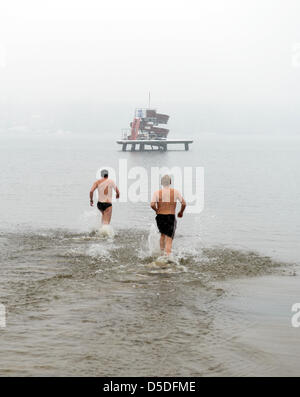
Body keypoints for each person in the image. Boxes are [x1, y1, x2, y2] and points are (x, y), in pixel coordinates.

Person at [151, 174, 186, 256]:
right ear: (170, 182)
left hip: (160, 216)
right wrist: (181, 212)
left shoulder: (157, 193)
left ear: (161, 183)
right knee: (169, 239)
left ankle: (162, 254)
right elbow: (184, 203)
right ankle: (168, 258)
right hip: (170, 216)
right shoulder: (175, 192)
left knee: (162, 235)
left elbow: (152, 204)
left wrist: (156, 210)